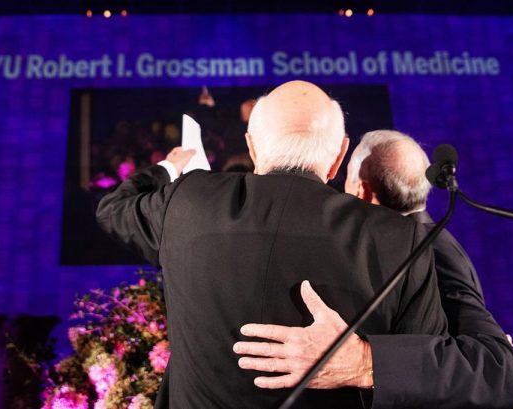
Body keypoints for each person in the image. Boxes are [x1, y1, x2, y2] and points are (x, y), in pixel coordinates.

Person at [96, 81, 447, 408]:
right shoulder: (402, 238)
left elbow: (112, 210)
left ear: (251, 146)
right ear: (340, 155)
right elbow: (430, 375)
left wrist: (168, 168)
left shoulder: (185, 203)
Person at [233, 130, 513, 408]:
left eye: (346, 181)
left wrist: (365, 361)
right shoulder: (400, 244)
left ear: (362, 191)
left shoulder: (432, 249)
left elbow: (503, 370)